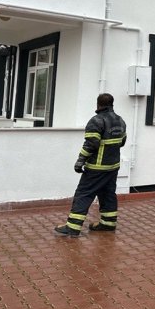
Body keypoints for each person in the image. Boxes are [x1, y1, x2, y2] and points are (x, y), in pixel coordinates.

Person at [55, 93, 127, 237]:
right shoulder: (120, 121)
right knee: (108, 193)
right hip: (112, 166)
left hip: (96, 167)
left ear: (98, 105)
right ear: (112, 104)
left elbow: (91, 144)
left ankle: (73, 227)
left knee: (83, 193)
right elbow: (122, 142)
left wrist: (80, 161)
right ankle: (108, 223)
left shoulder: (96, 121)